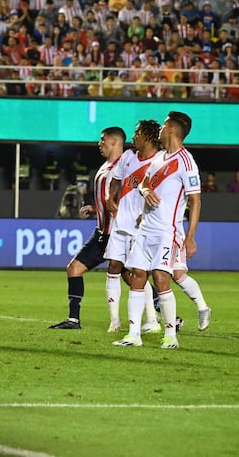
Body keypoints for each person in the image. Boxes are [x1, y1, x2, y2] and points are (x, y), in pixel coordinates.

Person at [114, 111, 201, 349]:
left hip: (166, 232)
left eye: (164, 125)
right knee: (137, 277)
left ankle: (171, 336)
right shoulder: (160, 157)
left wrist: (190, 236)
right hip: (145, 229)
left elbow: (196, 200)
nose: (161, 129)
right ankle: (133, 335)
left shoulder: (186, 162)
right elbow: (144, 183)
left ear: (172, 129)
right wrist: (145, 191)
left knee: (161, 278)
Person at [49, 126, 126, 330]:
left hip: (118, 235)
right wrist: (95, 208)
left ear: (115, 142)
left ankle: (170, 316)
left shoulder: (125, 166)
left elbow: (128, 200)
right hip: (101, 233)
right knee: (74, 269)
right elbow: (107, 200)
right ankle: (73, 319)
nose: (99, 144)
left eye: (103, 140)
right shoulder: (105, 167)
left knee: (134, 279)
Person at [104, 120, 164, 332]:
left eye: (137, 133)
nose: (133, 137)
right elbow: (116, 179)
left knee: (140, 273)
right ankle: (114, 321)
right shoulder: (128, 156)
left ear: (147, 136)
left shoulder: (161, 160)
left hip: (143, 227)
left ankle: (151, 319)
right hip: (122, 223)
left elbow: (164, 193)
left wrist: (148, 214)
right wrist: (111, 197)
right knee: (113, 266)